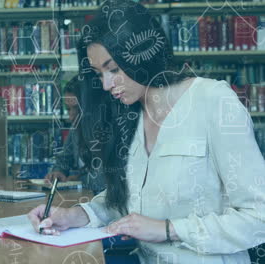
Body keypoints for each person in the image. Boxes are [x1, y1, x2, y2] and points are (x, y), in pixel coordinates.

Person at [28, 1, 265, 263]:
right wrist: (75, 215)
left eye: (114, 69)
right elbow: (128, 199)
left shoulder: (213, 101)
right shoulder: (129, 114)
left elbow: (259, 217)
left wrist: (168, 229)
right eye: (99, 74)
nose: (107, 85)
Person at [45, 76, 108, 194]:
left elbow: (104, 181)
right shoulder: (76, 129)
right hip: (86, 199)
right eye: (68, 109)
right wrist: (58, 172)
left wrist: (80, 179)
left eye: (77, 109)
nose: (71, 116)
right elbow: (64, 158)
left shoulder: (108, 131)